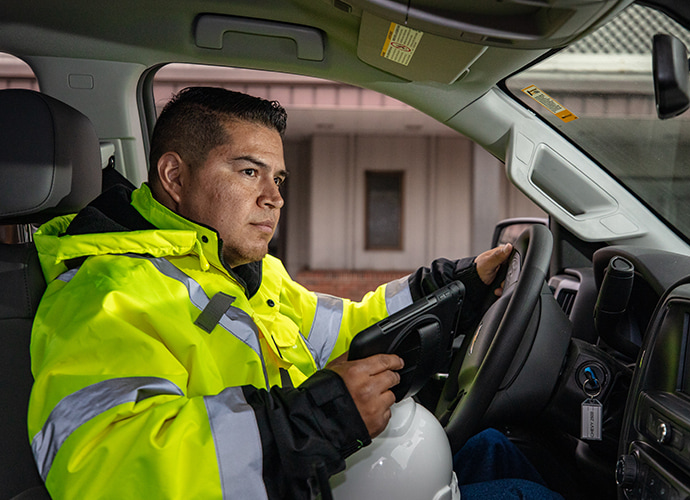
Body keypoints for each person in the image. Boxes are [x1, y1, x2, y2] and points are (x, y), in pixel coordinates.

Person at [28, 86, 558, 499]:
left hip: (312, 475)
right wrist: (316, 420)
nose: (273, 198)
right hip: (294, 478)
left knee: (490, 448)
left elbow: (351, 331)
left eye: (278, 178)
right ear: (173, 175)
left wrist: (452, 287)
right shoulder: (106, 293)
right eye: (249, 171)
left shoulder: (246, 274)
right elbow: (106, 466)